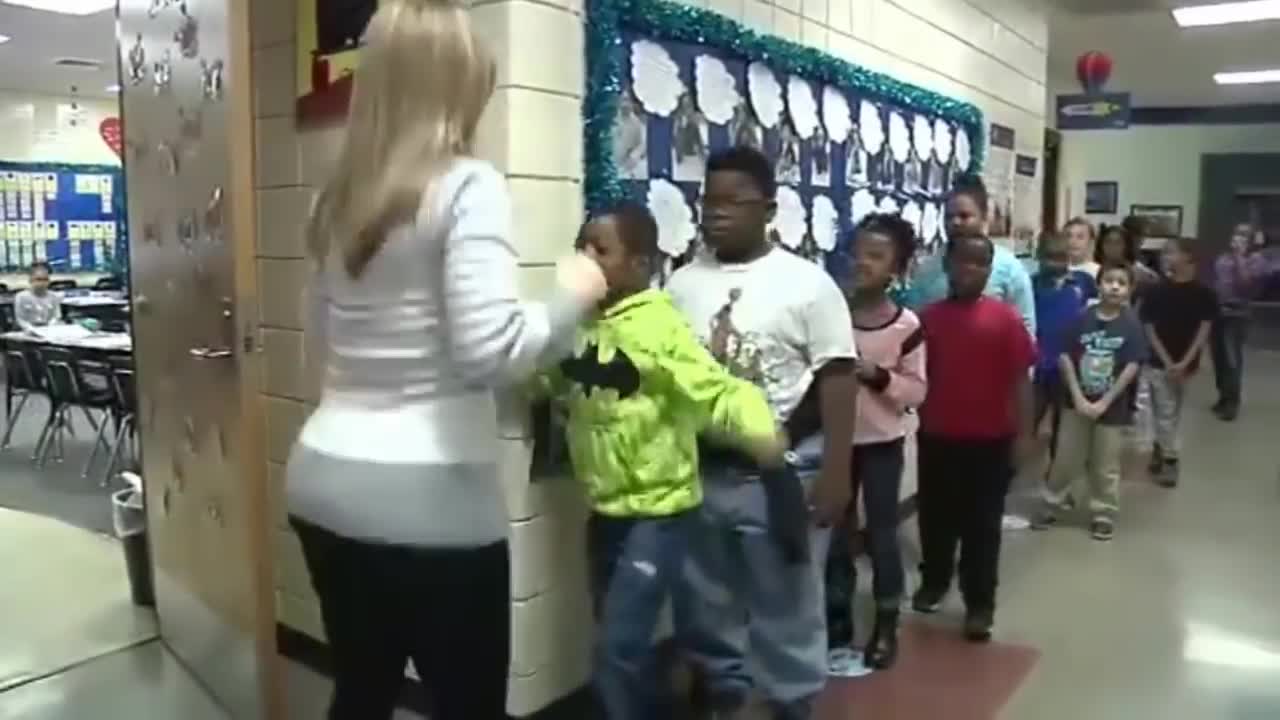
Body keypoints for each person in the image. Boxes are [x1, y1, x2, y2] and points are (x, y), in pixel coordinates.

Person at [285, 2, 607, 717]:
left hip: (323, 478)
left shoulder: (335, 199)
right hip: (430, 500)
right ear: (452, 87)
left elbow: (321, 336)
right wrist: (571, 295)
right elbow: (491, 352)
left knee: (362, 689)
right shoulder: (469, 185)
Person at [538, 205, 784, 720]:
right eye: (581, 247)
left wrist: (760, 432)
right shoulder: (580, 324)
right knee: (618, 634)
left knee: (616, 649)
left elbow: (717, 389)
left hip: (659, 512)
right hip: (605, 509)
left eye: (600, 250)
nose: (586, 259)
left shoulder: (658, 325)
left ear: (637, 264)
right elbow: (552, 377)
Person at [667, 146, 858, 720]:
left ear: (769, 208)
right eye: (709, 201)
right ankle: (725, 696)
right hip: (704, 471)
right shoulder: (680, 284)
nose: (717, 213)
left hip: (783, 472)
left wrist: (837, 472)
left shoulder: (807, 284)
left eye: (734, 201)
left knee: (787, 603)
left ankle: (790, 703)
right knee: (707, 600)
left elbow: (838, 376)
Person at [913, 234, 1035, 643]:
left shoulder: (1006, 321)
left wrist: (1025, 435)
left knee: (983, 528)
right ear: (947, 266)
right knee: (936, 520)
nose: (969, 270)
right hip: (938, 438)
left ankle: (980, 604)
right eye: (961, 262)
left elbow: (1022, 382)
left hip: (991, 442)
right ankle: (934, 582)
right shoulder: (928, 319)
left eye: (979, 264)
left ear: (990, 270)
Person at [824, 213, 927, 672]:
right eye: (858, 252)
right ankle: (836, 616)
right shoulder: (830, 314)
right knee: (834, 533)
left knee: (883, 533)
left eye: (876, 256)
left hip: (882, 443)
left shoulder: (907, 327)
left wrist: (878, 376)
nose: (862, 263)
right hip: (836, 442)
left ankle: (887, 622)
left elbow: (917, 391)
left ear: (896, 269)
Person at [1033, 263, 1145, 541]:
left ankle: (1103, 512)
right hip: (1075, 405)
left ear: (1130, 289)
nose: (1115, 287)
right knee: (1066, 458)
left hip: (1112, 408)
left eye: (1122, 282)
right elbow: (1065, 358)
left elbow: (1131, 366)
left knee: (1105, 464)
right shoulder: (1081, 319)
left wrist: (1105, 401)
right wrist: (1079, 398)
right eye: (1109, 281)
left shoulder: (1131, 325)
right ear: (1099, 285)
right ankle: (1051, 503)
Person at [901, 175, 1036, 337]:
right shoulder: (928, 269)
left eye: (964, 216)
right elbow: (913, 327)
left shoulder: (1009, 269)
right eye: (949, 217)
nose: (955, 223)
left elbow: (1026, 331)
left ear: (984, 217)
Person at [1139, 236, 1217, 488]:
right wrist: (1167, 360)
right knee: (1163, 410)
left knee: (1174, 410)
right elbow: (1149, 327)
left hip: (1187, 363)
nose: (1165, 257)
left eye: (1171, 252)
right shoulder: (1155, 291)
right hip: (1157, 361)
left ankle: (1161, 448)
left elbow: (1204, 329)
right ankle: (1170, 459)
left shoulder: (1204, 294)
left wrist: (1185, 362)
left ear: (1188, 257)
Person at [1031, 233, 1096, 465]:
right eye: (1049, 258)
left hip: (1068, 364)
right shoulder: (1032, 283)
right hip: (1037, 363)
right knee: (1029, 417)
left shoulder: (1083, 282)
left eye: (1061, 258)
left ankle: (1057, 471)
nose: (1055, 264)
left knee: (1064, 423)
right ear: (1039, 257)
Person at [1209, 222, 1268, 421]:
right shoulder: (1223, 257)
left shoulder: (1256, 260)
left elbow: (1245, 283)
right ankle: (1223, 396)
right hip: (1218, 312)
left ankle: (1232, 402)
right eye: (1236, 233)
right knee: (1218, 358)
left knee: (1232, 360)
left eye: (1244, 235)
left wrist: (1239, 256)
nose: (1238, 237)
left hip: (1237, 315)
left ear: (1251, 239)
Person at [14, 261, 63, 331]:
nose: (42, 283)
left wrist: (49, 328)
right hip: (28, 332)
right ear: (30, 280)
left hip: (49, 331)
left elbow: (56, 317)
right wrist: (33, 330)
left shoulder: (54, 296)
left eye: (45, 279)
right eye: (38, 279)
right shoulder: (21, 297)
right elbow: (20, 320)